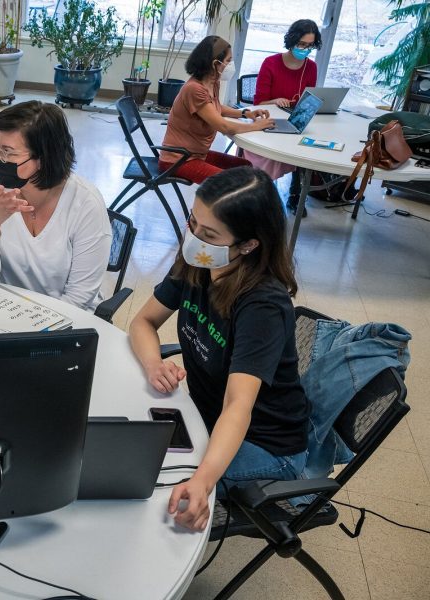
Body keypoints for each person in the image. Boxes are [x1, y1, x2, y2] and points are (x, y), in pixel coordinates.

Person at [129, 167, 310, 531]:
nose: (194, 238)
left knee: (153, 486)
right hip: (208, 420)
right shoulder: (199, 262)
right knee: (127, 452)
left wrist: (203, 479)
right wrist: (153, 364)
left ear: (248, 244)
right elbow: (142, 322)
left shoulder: (263, 306)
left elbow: (238, 405)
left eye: (209, 234)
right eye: (192, 222)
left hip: (266, 444)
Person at [0, 100, 112, 311]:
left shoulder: (86, 205)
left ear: (43, 158)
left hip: (64, 317)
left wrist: (26, 325)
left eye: (8, 152)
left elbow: (77, 299)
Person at [158, 36, 275, 184]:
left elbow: (216, 108)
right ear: (215, 63)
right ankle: (211, 200)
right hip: (178, 160)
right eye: (228, 60)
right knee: (232, 181)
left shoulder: (212, 83)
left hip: (196, 154)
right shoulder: (194, 89)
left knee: (245, 167)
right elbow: (223, 126)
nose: (231, 65)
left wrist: (245, 113)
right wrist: (257, 125)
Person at [251, 19, 321, 214]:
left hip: (294, 120)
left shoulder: (311, 67)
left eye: (310, 46)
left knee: (306, 145)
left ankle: (295, 194)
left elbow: (308, 100)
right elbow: (258, 103)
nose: (305, 49)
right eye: (302, 44)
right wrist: (274, 101)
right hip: (269, 120)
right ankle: (262, 191)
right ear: (292, 40)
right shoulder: (271, 63)